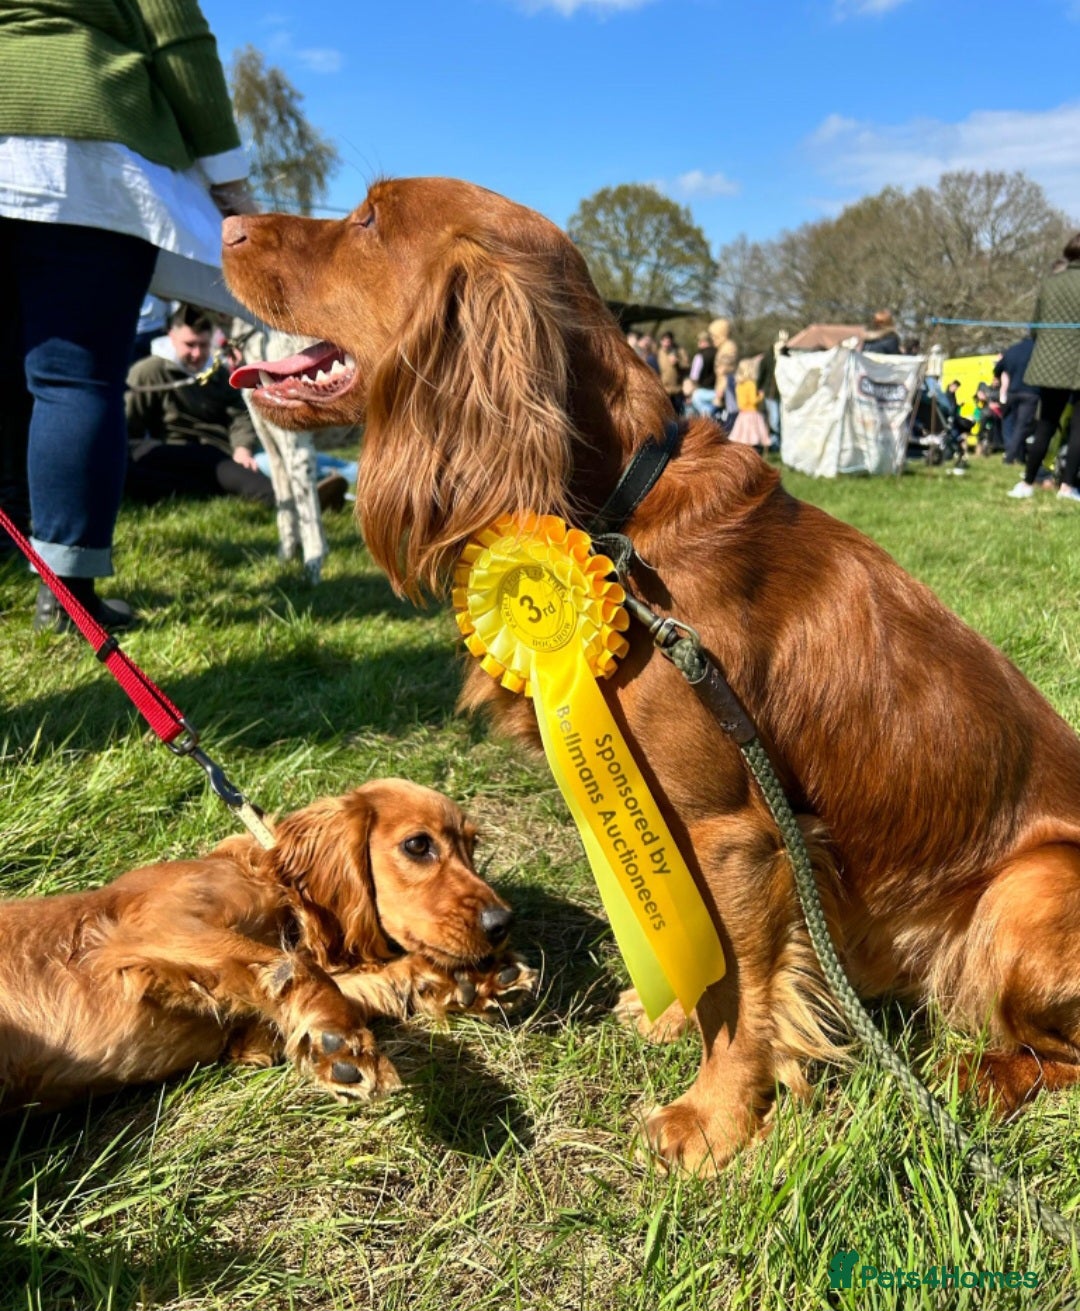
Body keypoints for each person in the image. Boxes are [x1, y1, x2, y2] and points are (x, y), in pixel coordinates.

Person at [0, 0, 256, 633]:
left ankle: (15, 545)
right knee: (75, 379)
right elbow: (179, 40)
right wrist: (231, 182)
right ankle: (65, 593)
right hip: (88, 148)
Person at [124, 304, 278, 508]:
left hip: (227, 453)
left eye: (203, 345)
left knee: (272, 463)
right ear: (171, 336)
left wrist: (242, 448)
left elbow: (240, 414)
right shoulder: (150, 372)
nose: (197, 354)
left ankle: (329, 479)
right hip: (178, 454)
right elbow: (129, 426)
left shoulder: (219, 373)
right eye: (189, 344)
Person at [1007, 233, 1080, 502]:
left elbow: (1035, 327)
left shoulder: (1050, 283)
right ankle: (1068, 487)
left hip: (1052, 365)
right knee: (1078, 431)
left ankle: (1027, 483)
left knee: (1045, 425)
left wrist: (1050, 348)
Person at [994, 336, 1038, 464]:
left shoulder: (1012, 350)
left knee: (1008, 421)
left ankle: (1011, 450)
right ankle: (1012, 455)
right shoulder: (1037, 350)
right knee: (1022, 425)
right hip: (1031, 391)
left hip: (1012, 391)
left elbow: (998, 368)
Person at [728, 359, 770, 452]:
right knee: (753, 438)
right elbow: (753, 400)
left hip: (742, 414)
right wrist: (761, 396)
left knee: (743, 438)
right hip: (752, 413)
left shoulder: (739, 385)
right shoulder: (751, 384)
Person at [657, 331, 687, 413]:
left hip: (677, 389)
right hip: (664, 390)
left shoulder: (678, 352)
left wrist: (678, 362)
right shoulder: (658, 353)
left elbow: (686, 366)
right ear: (661, 341)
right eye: (665, 341)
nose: (667, 344)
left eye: (669, 342)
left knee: (679, 412)